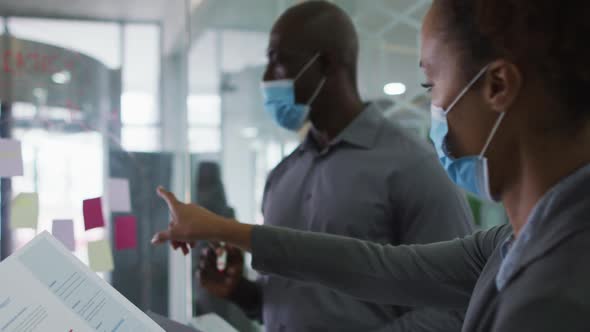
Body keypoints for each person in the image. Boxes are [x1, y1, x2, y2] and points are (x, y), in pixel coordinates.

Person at [154, 0, 590, 330]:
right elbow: (380, 266)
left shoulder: (554, 299)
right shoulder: (513, 242)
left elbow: (431, 307)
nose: (433, 106)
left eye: (431, 82)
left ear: (497, 85)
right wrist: (222, 231)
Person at [195, 1, 475, 331]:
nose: (268, 78)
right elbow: (292, 306)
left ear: (327, 63)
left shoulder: (413, 167)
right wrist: (240, 292)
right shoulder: (283, 176)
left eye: (278, 61)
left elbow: (455, 307)